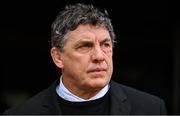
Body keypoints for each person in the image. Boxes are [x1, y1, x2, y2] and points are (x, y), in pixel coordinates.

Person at [3, 3, 167, 115]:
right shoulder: (22, 114)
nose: (99, 56)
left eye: (105, 45)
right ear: (58, 57)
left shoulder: (151, 108)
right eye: (85, 46)